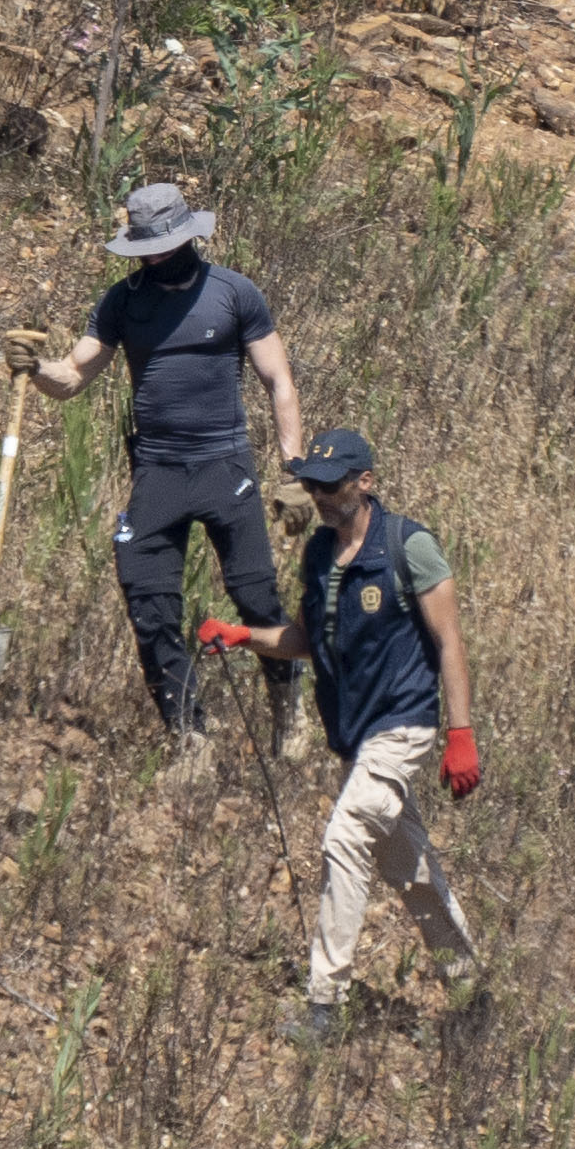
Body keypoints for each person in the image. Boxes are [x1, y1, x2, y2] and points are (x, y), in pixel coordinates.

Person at [4, 182, 306, 760]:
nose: (158, 256)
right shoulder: (122, 302)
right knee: (148, 601)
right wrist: (34, 367)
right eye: (148, 247)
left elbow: (279, 380)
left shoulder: (234, 293)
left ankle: (287, 715)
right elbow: (72, 376)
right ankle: (188, 736)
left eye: (167, 244)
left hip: (225, 463)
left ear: (191, 236)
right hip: (159, 471)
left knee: (254, 595)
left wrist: (293, 467)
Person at [196, 429, 478, 1041]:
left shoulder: (410, 546)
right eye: (313, 485)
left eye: (331, 484)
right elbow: (304, 640)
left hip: (402, 727)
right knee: (410, 868)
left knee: (344, 837)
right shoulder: (320, 554)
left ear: (365, 483)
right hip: (356, 738)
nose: (319, 496)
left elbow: (450, 642)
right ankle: (471, 988)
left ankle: (325, 1007)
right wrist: (244, 636)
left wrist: (461, 733)